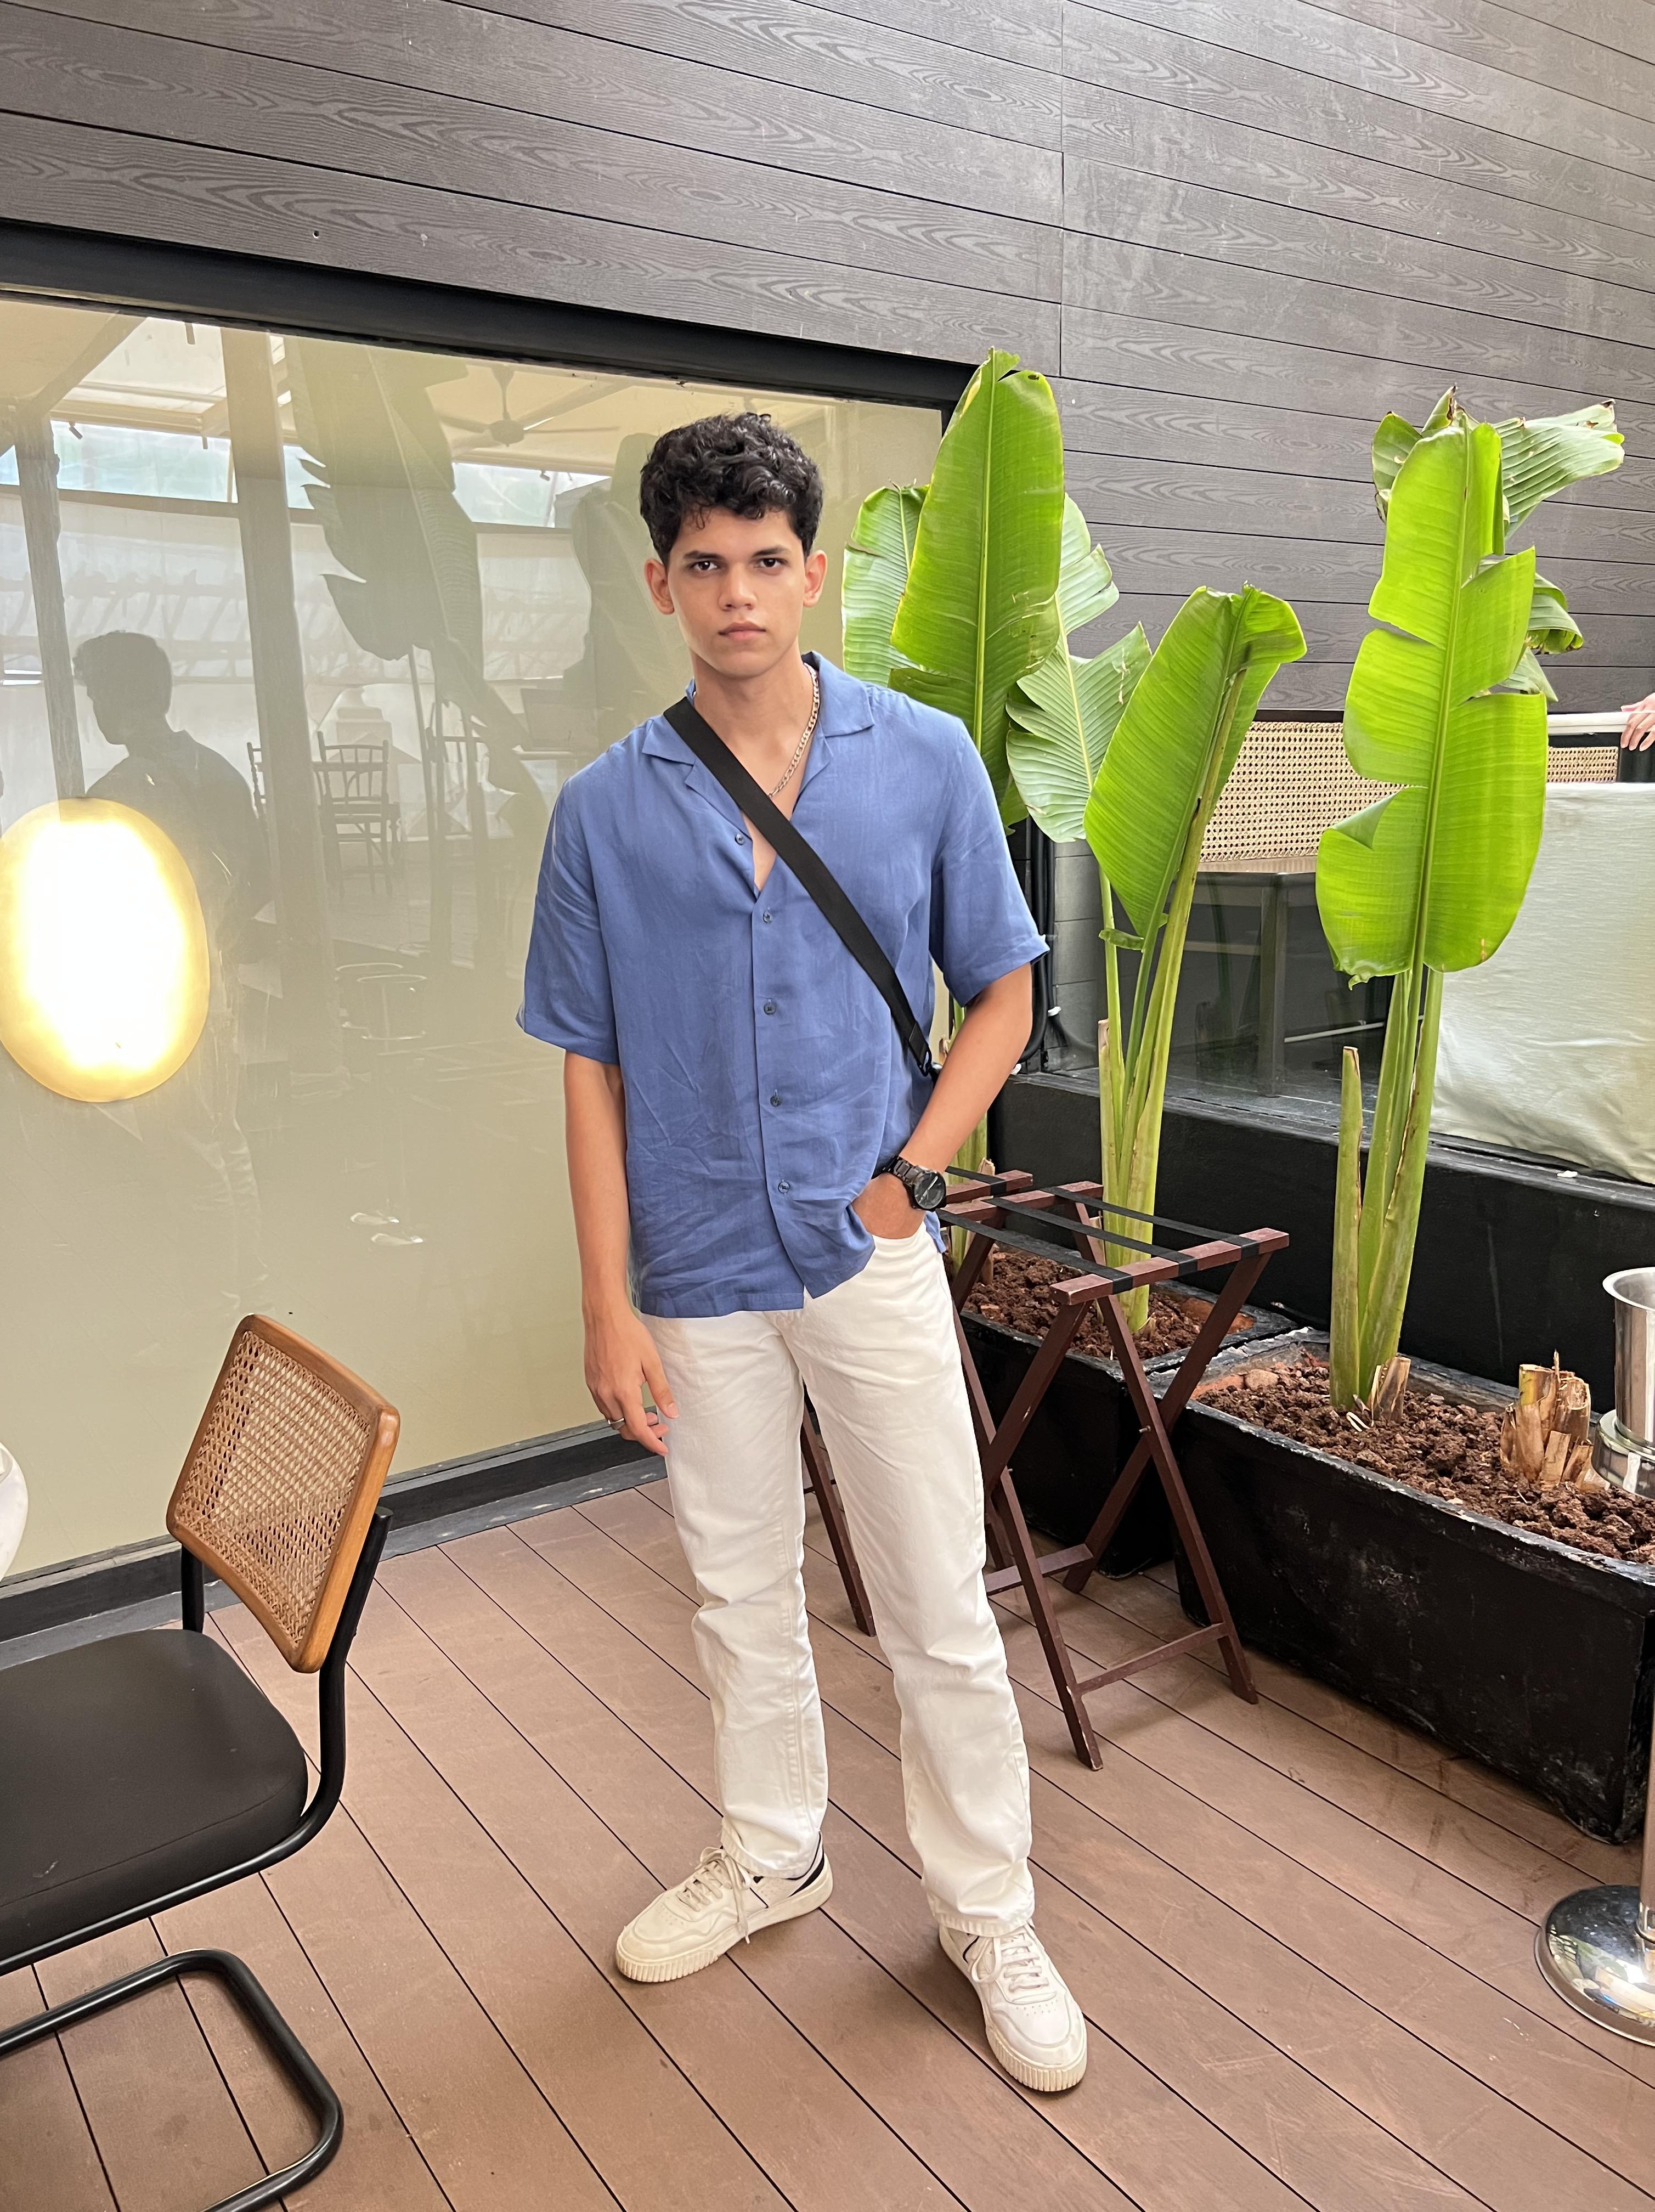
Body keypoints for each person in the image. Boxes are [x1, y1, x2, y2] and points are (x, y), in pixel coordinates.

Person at [522, 414, 1087, 2093]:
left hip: (867, 1255)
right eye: (705, 563)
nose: (739, 593)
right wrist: (605, 1301)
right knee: (736, 1588)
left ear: (814, 572)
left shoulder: (922, 760)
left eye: (767, 559)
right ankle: (774, 1853)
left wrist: (914, 1175)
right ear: (661, 583)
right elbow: (588, 1066)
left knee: (935, 1600)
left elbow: (1006, 992)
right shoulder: (599, 815)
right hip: (694, 1269)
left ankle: (990, 1912)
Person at [76, 631, 270, 1328]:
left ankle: (212, 1322)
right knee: (223, 1139)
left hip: (162, 997)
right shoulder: (215, 770)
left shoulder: (119, 793)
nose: (94, 707)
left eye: (95, 693)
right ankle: (251, 1300)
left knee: (187, 1153)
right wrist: (217, 940)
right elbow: (259, 876)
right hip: (216, 983)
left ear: (115, 699)